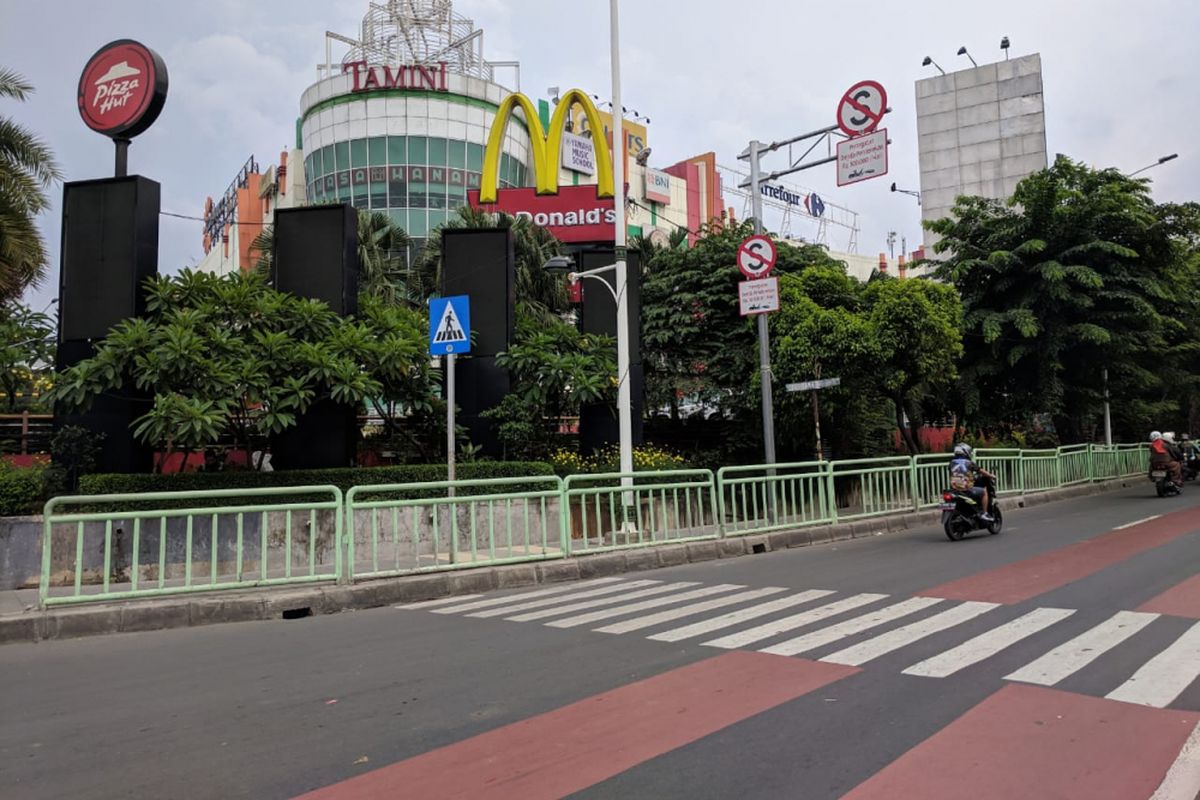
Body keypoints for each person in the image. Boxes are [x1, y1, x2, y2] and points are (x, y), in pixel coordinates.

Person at [949, 443, 997, 523]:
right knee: (984, 491)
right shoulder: (969, 463)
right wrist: (991, 475)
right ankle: (984, 513)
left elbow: (957, 473)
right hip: (966, 489)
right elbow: (980, 470)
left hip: (954, 489)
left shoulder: (951, 463)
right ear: (965, 452)